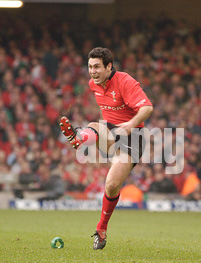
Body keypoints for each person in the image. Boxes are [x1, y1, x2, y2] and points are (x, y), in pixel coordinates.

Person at [59, 47, 153, 250]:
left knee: (111, 185)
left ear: (109, 66)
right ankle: (79, 139)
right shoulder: (93, 84)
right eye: (90, 67)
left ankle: (101, 229)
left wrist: (130, 124)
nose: (92, 71)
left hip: (132, 137)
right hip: (111, 133)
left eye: (97, 67)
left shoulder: (125, 81)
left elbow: (147, 108)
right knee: (94, 126)